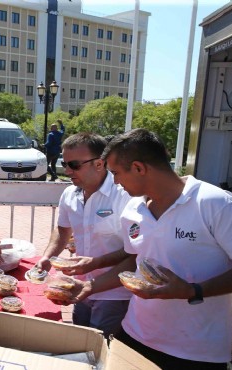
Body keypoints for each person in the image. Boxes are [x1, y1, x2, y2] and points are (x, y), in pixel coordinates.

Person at [69, 129, 232, 369]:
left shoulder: (216, 203)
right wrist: (89, 286)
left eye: (115, 173)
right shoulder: (133, 209)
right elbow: (137, 261)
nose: (114, 182)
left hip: (195, 352)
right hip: (134, 335)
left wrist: (193, 290)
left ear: (138, 168)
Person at [35, 133, 132, 337]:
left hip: (113, 292)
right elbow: (62, 230)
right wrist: (47, 257)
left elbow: (135, 251)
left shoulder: (124, 195)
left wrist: (94, 263)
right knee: (80, 342)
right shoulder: (70, 193)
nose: (67, 170)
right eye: (64, 163)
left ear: (99, 164)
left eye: (74, 165)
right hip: (80, 287)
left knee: (100, 349)